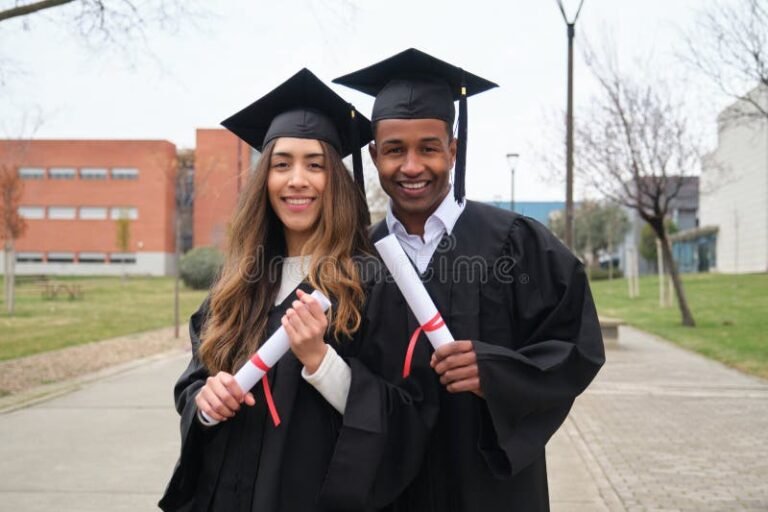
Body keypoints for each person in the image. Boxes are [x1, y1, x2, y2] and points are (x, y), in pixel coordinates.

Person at [334, 48, 606, 511]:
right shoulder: (351, 259)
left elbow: (576, 347)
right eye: (395, 150)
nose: (412, 166)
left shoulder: (517, 243)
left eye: (428, 148)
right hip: (387, 489)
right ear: (374, 155)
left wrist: (497, 372)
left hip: (488, 490)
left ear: (453, 150)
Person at [159, 68, 437, 512]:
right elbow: (195, 381)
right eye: (282, 164)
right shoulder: (237, 284)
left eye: (315, 165)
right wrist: (205, 402)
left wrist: (322, 362)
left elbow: (408, 416)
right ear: (265, 180)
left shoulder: (372, 284)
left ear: (336, 181)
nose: (297, 180)